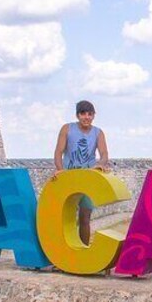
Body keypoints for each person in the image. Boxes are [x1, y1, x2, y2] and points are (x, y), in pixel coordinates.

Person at [53, 100, 109, 245]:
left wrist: (100, 165)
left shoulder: (98, 133)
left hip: (87, 180)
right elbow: (58, 152)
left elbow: (104, 154)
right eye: (83, 114)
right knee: (65, 218)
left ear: (94, 116)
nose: (86, 117)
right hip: (69, 178)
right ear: (77, 115)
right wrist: (60, 170)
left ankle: (84, 248)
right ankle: (63, 252)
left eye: (90, 114)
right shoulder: (67, 129)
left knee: (85, 218)